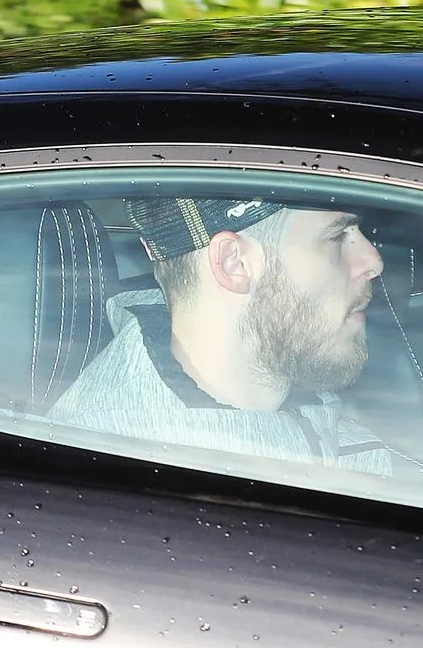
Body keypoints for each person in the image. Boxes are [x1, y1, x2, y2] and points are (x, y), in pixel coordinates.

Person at [47, 194, 395, 474]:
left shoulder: (293, 375)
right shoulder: (143, 478)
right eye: (337, 236)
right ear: (234, 264)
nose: (373, 261)